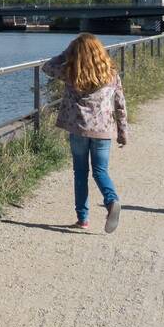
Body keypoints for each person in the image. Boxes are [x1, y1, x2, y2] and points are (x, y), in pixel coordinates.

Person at [41, 33, 128, 232]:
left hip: (79, 129)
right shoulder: (111, 74)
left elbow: (46, 67)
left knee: (80, 172)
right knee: (100, 171)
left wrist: (66, 54)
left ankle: (83, 218)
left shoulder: (70, 72)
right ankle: (111, 200)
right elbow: (120, 105)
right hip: (103, 131)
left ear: (75, 53)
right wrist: (123, 132)